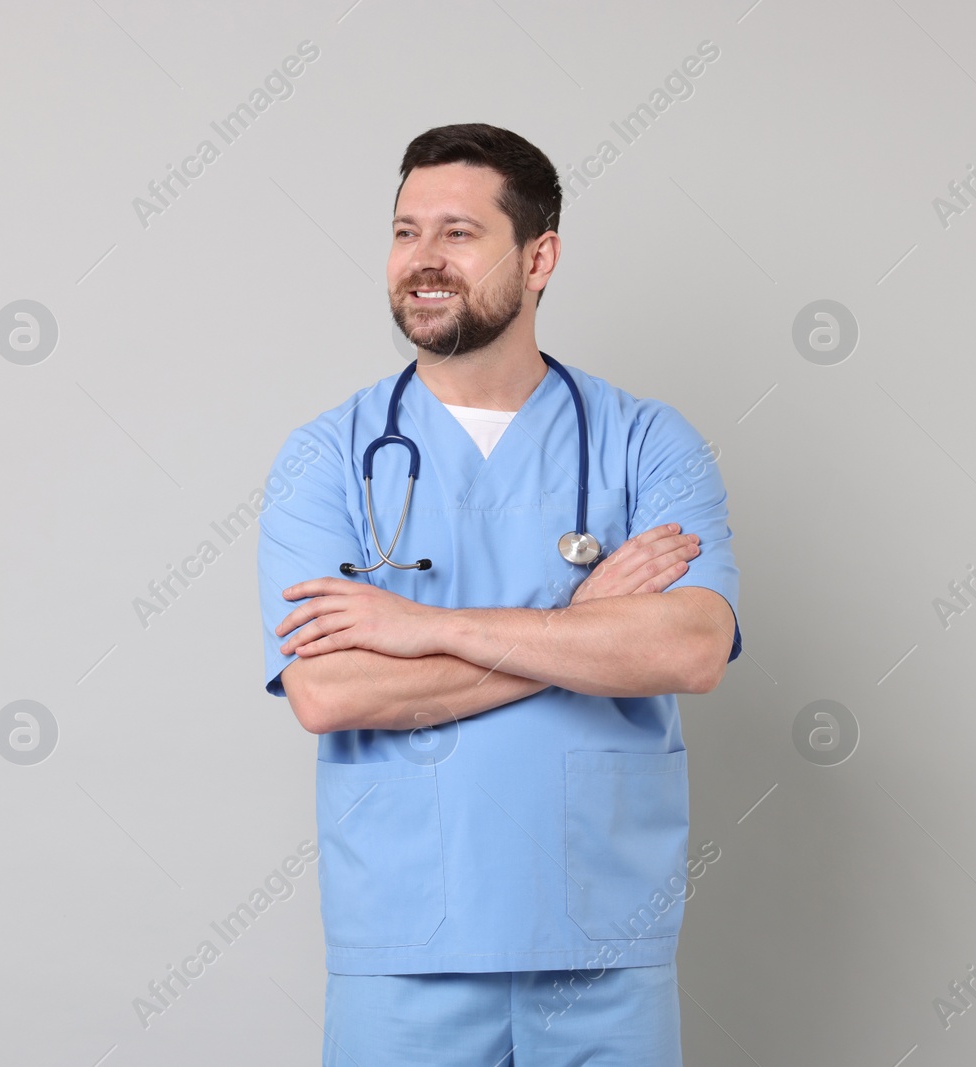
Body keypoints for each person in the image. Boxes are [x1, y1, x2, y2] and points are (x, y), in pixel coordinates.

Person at [255, 123, 741, 1066]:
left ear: (540, 255)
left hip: (603, 941)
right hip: (405, 949)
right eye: (405, 232)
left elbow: (690, 649)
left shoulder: (647, 442)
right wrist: (584, 624)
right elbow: (331, 692)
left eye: (458, 233)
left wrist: (417, 630)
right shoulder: (327, 457)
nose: (423, 261)